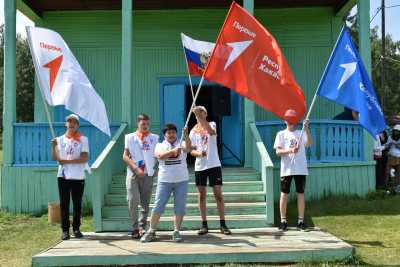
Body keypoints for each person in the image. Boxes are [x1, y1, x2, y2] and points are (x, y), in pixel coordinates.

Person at [141, 124, 192, 243]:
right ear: (165, 135)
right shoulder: (160, 145)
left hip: (181, 181)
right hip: (164, 181)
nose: (171, 135)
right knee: (158, 206)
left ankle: (176, 231)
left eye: (173, 132)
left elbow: (189, 149)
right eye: (168, 133)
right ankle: (151, 231)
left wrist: (186, 135)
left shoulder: (182, 143)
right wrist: (173, 151)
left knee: (180, 207)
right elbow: (160, 156)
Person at [189, 106, 231, 235]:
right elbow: (191, 150)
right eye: (198, 112)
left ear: (205, 114)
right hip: (200, 166)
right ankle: (204, 224)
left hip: (214, 164)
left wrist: (200, 117)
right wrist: (199, 153)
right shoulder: (193, 131)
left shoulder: (211, 124)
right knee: (201, 195)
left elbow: (211, 132)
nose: (199, 114)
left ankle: (223, 224)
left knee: (218, 194)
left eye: (202, 112)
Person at [51, 114, 89, 240]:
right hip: (63, 176)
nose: (71, 124)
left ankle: (76, 228)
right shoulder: (60, 139)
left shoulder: (83, 139)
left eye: (74, 122)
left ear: (78, 125)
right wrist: (53, 146)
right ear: (65, 124)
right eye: (69, 121)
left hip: (78, 176)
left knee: (77, 203)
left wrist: (66, 161)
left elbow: (84, 158)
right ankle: (65, 230)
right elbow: (55, 158)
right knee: (64, 203)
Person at [273, 109, 313, 231]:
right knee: (284, 194)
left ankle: (301, 221)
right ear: (285, 120)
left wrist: (306, 128)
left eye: (293, 120)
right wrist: (290, 150)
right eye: (289, 120)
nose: (291, 122)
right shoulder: (281, 134)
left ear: (296, 121)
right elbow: (278, 152)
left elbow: (309, 143)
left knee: (300, 193)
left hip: (300, 168)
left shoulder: (300, 133)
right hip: (287, 169)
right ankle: (283, 221)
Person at [123, 114, 159, 239]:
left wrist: (157, 168)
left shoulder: (154, 138)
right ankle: (134, 227)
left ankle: (141, 227)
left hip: (148, 173)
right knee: (133, 200)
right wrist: (135, 168)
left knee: (145, 202)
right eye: (143, 124)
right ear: (138, 123)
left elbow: (158, 155)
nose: (145, 126)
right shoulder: (130, 137)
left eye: (147, 124)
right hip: (133, 173)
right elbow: (125, 156)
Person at [386, 124, 400, 194]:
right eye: (395, 131)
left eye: (397, 131)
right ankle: (387, 187)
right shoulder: (390, 137)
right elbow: (387, 147)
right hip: (390, 156)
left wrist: (396, 144)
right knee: (388, 172)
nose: (396, 133)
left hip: (398, 156)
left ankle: (397, 188)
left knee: (398, 173)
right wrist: (389, 144)